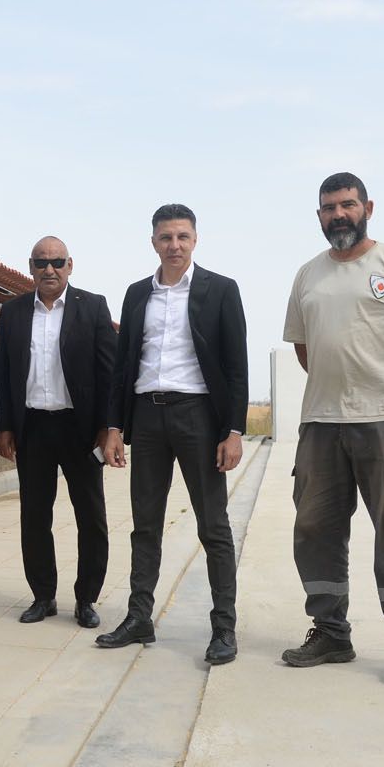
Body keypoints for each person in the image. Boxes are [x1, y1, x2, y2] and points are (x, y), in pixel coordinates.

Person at [280, 172, 384, 685]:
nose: (339, 215)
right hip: (321, 423)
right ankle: (331, 632)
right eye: (329, 208)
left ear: (367, 208)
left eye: (347, 205)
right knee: (315, 530)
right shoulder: (308, 274)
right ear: (319, 216)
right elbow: (305, 346)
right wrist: (337, 388)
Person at [98, 204, 248, 665]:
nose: (174, 245)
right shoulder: (137, 294)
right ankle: (139, 618)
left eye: (182, 236)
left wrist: (234, 431)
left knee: (213, 526)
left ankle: (223, 628)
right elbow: (123, 365)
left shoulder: (220, 289)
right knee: (145, 524)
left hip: (197, 416)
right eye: (166, 237)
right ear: (154, 243)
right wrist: (114, 427)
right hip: (147, 417)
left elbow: (236, 366)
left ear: (195, 240)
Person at [0, 236, 116, 628]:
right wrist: (4, 425)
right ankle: (43, 596)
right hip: (32, 428)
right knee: (34, 516)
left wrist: (108, 427)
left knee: (91, 517)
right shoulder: (12, 311)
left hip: (80, 430)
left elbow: (109, 373)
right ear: (31, 267)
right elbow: (2, 373)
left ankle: (86, 599)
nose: (49, 269)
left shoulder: (92, 307)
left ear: (70, 265)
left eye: (57, 262)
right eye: (41, 262)